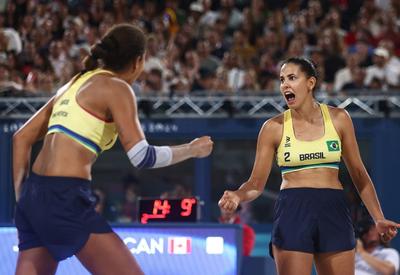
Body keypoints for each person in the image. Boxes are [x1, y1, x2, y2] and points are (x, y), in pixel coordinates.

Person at [13, 23, 213, 275]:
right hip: (65, 197)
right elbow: (142, 157)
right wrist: (192, 149)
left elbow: (21, 138)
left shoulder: (75, 82)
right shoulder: (118, 88)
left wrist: (24, 201)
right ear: (139, 61)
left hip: (33, 197)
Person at [218, 56, 400, 275]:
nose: (285, 84)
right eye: (282, 79)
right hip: (293, 209)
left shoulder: (340, 119)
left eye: (292, 78)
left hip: (333, 209)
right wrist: (238, 195)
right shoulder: (272, 128)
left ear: (310, 83)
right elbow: (255, 183)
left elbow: (360, 175)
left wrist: (378, 218)